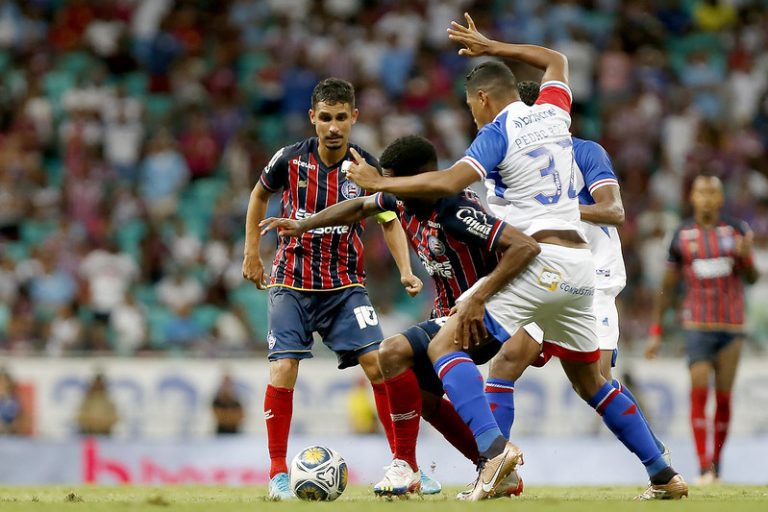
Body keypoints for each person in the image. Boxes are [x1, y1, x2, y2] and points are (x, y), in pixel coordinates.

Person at [345, 13, 687, 501]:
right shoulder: (553, 113)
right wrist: (492, 45)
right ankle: (663, 474)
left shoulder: (496, 133)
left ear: (483, 98)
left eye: (471, 106)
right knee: (592, 380)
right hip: (579, 269)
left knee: (445, 345)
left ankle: (494, 452)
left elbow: (447, 183)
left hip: (539, 259)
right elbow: (556, 59)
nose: (472, 116)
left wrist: (383, 183)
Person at [261, 134, 538, 497]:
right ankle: (495, 468)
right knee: (417, 395)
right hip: (450, 317)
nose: (389, 188)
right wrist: (304, 224)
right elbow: (360, 207)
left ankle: (407, 467)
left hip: (485, 318)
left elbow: (524, 246)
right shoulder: (403, 199)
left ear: (420, 178)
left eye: (395, 180)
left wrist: (479, 297)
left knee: (390, 351)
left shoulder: (456, 212)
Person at [241, 78, 425, 500]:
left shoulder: (365, 168)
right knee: (283, 368)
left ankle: (405, 466)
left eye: (342, 117)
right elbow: (257, 197)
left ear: (354, 117)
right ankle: (276, 474)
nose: (334, 126)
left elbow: (389, 220)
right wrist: (252, 253)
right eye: (326, 118)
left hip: (345, 287)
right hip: (292, 282)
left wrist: (405, 270)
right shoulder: (289, 160)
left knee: (381, 364)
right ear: (313, 119)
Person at [482, 81, 669, 468]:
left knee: (595, 384)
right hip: (545, 278)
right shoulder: (514, 164)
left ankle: (659, 463)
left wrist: (560, 210)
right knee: (504, 364)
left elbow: (614, 211)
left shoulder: (585, 152)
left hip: (594, 280)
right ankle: (491, 469)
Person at [645, 175, 759, 484]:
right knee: (699, 389)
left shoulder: (737, 230)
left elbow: (752, 278)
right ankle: (703, 466)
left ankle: (717, 466)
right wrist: (656, 331)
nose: (706, 198)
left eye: (712, 193)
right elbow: (667, 289)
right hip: (696, 324)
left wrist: (745, 256)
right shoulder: (681, 234)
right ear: (692, 197)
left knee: (723, 398)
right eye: (701, 192)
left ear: (720, 199)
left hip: (731, 325)